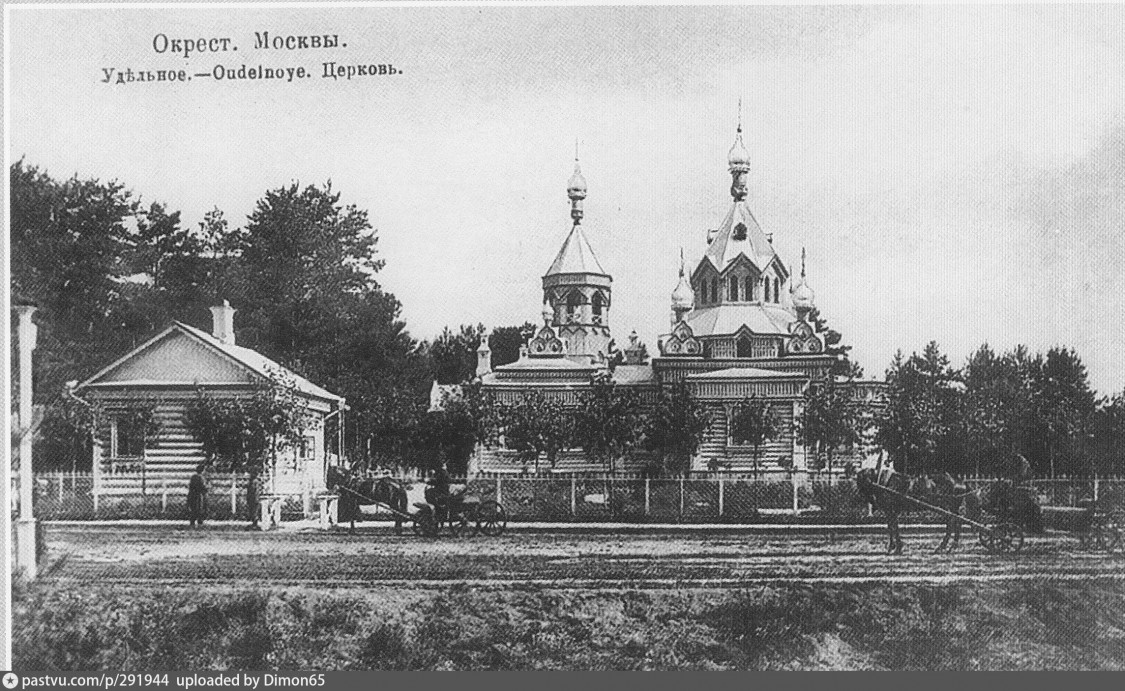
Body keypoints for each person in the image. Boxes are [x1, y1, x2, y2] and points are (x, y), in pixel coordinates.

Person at [187, 463, 208, 527]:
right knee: (199, 508)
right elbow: (203, 487)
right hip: (198, 494)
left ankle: (192, 521)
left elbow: (190, 485)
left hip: (192, 494)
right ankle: (199, 520)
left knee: (193, 507)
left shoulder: (193, 477)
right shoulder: (201, 478)